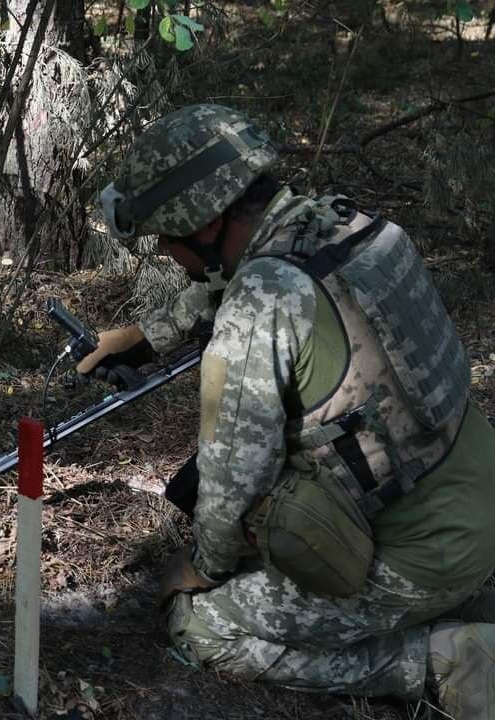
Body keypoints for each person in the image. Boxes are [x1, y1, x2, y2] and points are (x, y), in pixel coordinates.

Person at [76, 104, 495, 718]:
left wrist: (205, 568)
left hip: (420, 555)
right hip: (475, 499)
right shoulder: (344, 226)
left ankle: (437, 658)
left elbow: (230, 480)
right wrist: (146, 335)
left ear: (209, 221)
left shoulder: (258, 308)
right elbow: (259, 284)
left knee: (201, 628)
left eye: (167, 235)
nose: (164, 250)